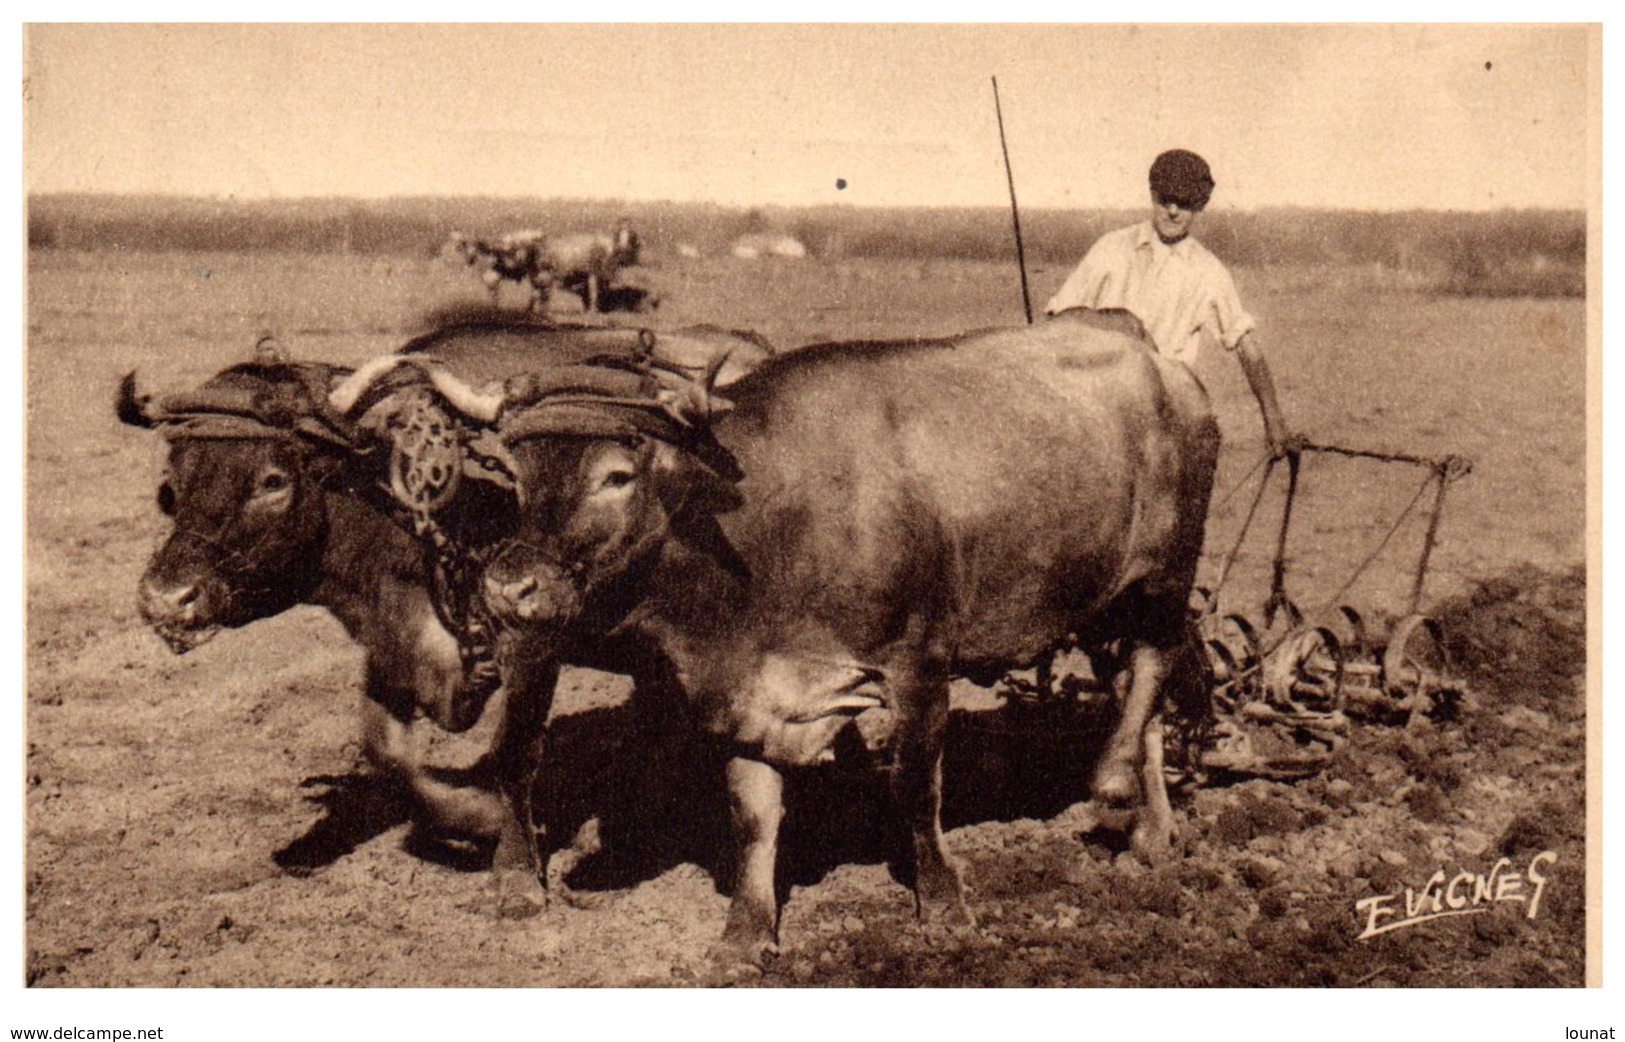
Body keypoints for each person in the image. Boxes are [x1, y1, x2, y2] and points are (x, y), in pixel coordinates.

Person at [1045, 149, 1298, 459]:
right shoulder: (1111, 248)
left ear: (1199, 207)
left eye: (1186, 204)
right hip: (1098, 408)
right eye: (1166, 200)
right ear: (1152, 196)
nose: (1174, 211)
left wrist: (1274, 423)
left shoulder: (1208, 272)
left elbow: (1246, 345)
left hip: (1163, 417)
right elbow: (1058, 320)